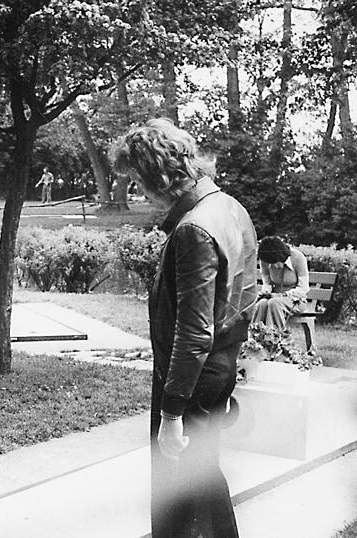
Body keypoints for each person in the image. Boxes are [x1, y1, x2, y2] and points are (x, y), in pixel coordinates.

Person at [112, 118, 258, 538]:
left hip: (193, 377)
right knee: (204, 483)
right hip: (218, 367)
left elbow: (194, 332)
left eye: (138, 180)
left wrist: (172, 410)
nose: (140, 191)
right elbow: (244, 294)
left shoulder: (195, 227)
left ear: (157, 175)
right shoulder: (229, 206)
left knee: (177, 501)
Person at [254, 235, 309, 329]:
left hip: (296, 300)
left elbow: (303, 288)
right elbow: (267, 282)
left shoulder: (297, 257)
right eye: (271, 263)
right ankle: (255, 337)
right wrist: (266, 292)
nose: (275, 267)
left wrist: (282, 295)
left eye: (276, 262)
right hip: (274, 297)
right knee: (261, 304)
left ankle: (274, 338)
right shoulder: (265, 260)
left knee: (274, 303)